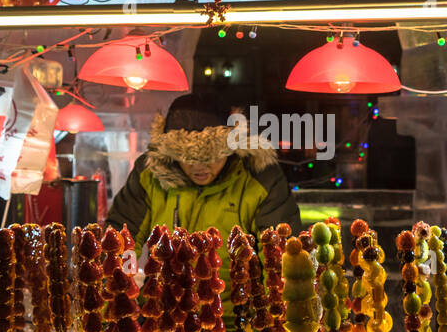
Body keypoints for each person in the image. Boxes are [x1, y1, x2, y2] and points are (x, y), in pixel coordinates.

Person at [107, 93, 301, 249]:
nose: (199, 168)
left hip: (236, 297)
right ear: (172, 154)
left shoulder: (261, 176)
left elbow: (280, 258)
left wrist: (274, 296)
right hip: (163, 295)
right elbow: (121, 241)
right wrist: (123, 286)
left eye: (211, 158)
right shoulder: (149, 173)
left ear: (231, 149)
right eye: (188, 159)